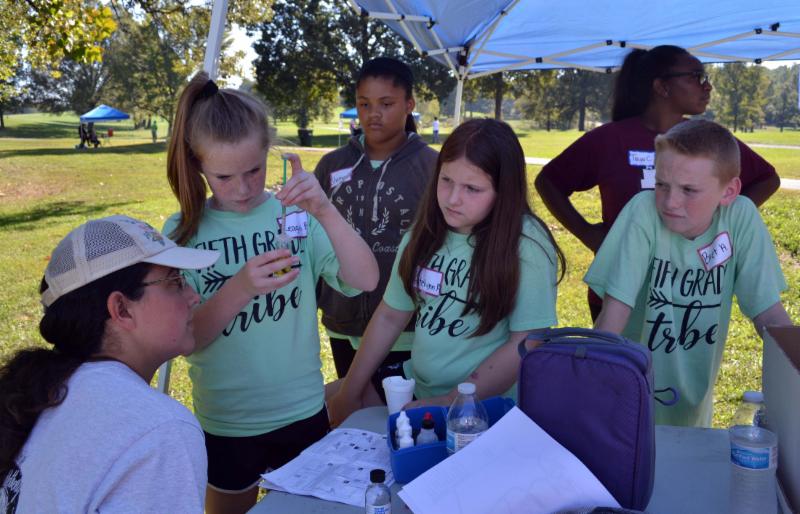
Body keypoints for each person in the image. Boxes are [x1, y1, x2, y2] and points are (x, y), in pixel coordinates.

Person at [164, 71, 379, 514]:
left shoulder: (295, 215)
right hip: (228, 421)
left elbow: (366, 279)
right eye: (224, 177)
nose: (242, 189)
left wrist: (324, 209)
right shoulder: (184, 232)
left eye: (254, 170)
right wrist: (241, 287)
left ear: (269, 154)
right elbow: (187, 338)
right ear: (198, 165)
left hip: (302, 410)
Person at [327, 118, 565, 427]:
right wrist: (350, 392)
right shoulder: (425, 233)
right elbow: (390, 315)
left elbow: (528, 341)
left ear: (504, 190)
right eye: (446, 180)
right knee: (318, 407)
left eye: (472, 188)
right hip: (417, 383)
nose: (453, 199)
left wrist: (450, 401)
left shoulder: (526, 243)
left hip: (487, 408)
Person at [535, 45, 780, 321]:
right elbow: (549, 181)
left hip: (686, 293)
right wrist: (588, 234)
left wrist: (723, 219)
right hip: (620, 291)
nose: (707, 86)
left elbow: (766, 179)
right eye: (696, 76)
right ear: (662, 87)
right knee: (618, 349)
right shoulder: (610, 139)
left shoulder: (706, 140)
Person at [0, 215, 219, 513]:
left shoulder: (49, 391)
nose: (194, 296)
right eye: (175, 282)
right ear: (121, 309)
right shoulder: (159, 430)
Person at [586, 120, 793, 427]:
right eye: (661, 184)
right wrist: (588, 388)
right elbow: (614, 314)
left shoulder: (740, 218)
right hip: (623, 397)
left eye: (689, 190)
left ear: (729, 191)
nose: (670, 202)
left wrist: (794, 362)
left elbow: (769, 314)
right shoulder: (644, 211)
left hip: (694, 405)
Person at [314, 57, 438, 379]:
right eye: (364, 104)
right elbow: (313, 237)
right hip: (342, 320)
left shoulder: (432, 168)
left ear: (409, 105)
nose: (373, 114)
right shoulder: (331, 165)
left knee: (396, 408)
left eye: (386, 103)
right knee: (351, 403)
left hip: (406, 325)